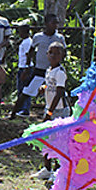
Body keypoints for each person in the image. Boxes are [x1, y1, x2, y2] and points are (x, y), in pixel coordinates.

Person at [10, 14, 65, 119]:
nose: (56, 25)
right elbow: (31, 52)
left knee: (58, 92)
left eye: (57, 23)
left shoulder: (59, 38)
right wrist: (27, 67)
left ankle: (59, 115)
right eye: (53, 23)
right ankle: (13, 114)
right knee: (25, 92)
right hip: (39, 70)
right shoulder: (38, 37)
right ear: (46, 24)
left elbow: (64, 51)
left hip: (54, 71)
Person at [31, 42, 69, 180]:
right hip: (49, 108)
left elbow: (59, 93)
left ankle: (57, 172)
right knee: (45, 140)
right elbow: (50, 86)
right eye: (51, 52)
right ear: (47, 54)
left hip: (58, 112)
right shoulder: (49, 70)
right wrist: (44, 88)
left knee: (59, 142)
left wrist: (50, 113)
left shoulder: (60, 73)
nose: (53, 56)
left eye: (57, 53)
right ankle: (47, 169)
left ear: (62, 55)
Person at [15, 23, 32, 115]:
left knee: (25, 89)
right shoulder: (25, 41)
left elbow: (28, 55)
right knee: (21, 89)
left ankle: (25, 109)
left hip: (25, 68)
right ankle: (20, 108)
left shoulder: (27, 42)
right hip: (22, 67)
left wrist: (26, 69)